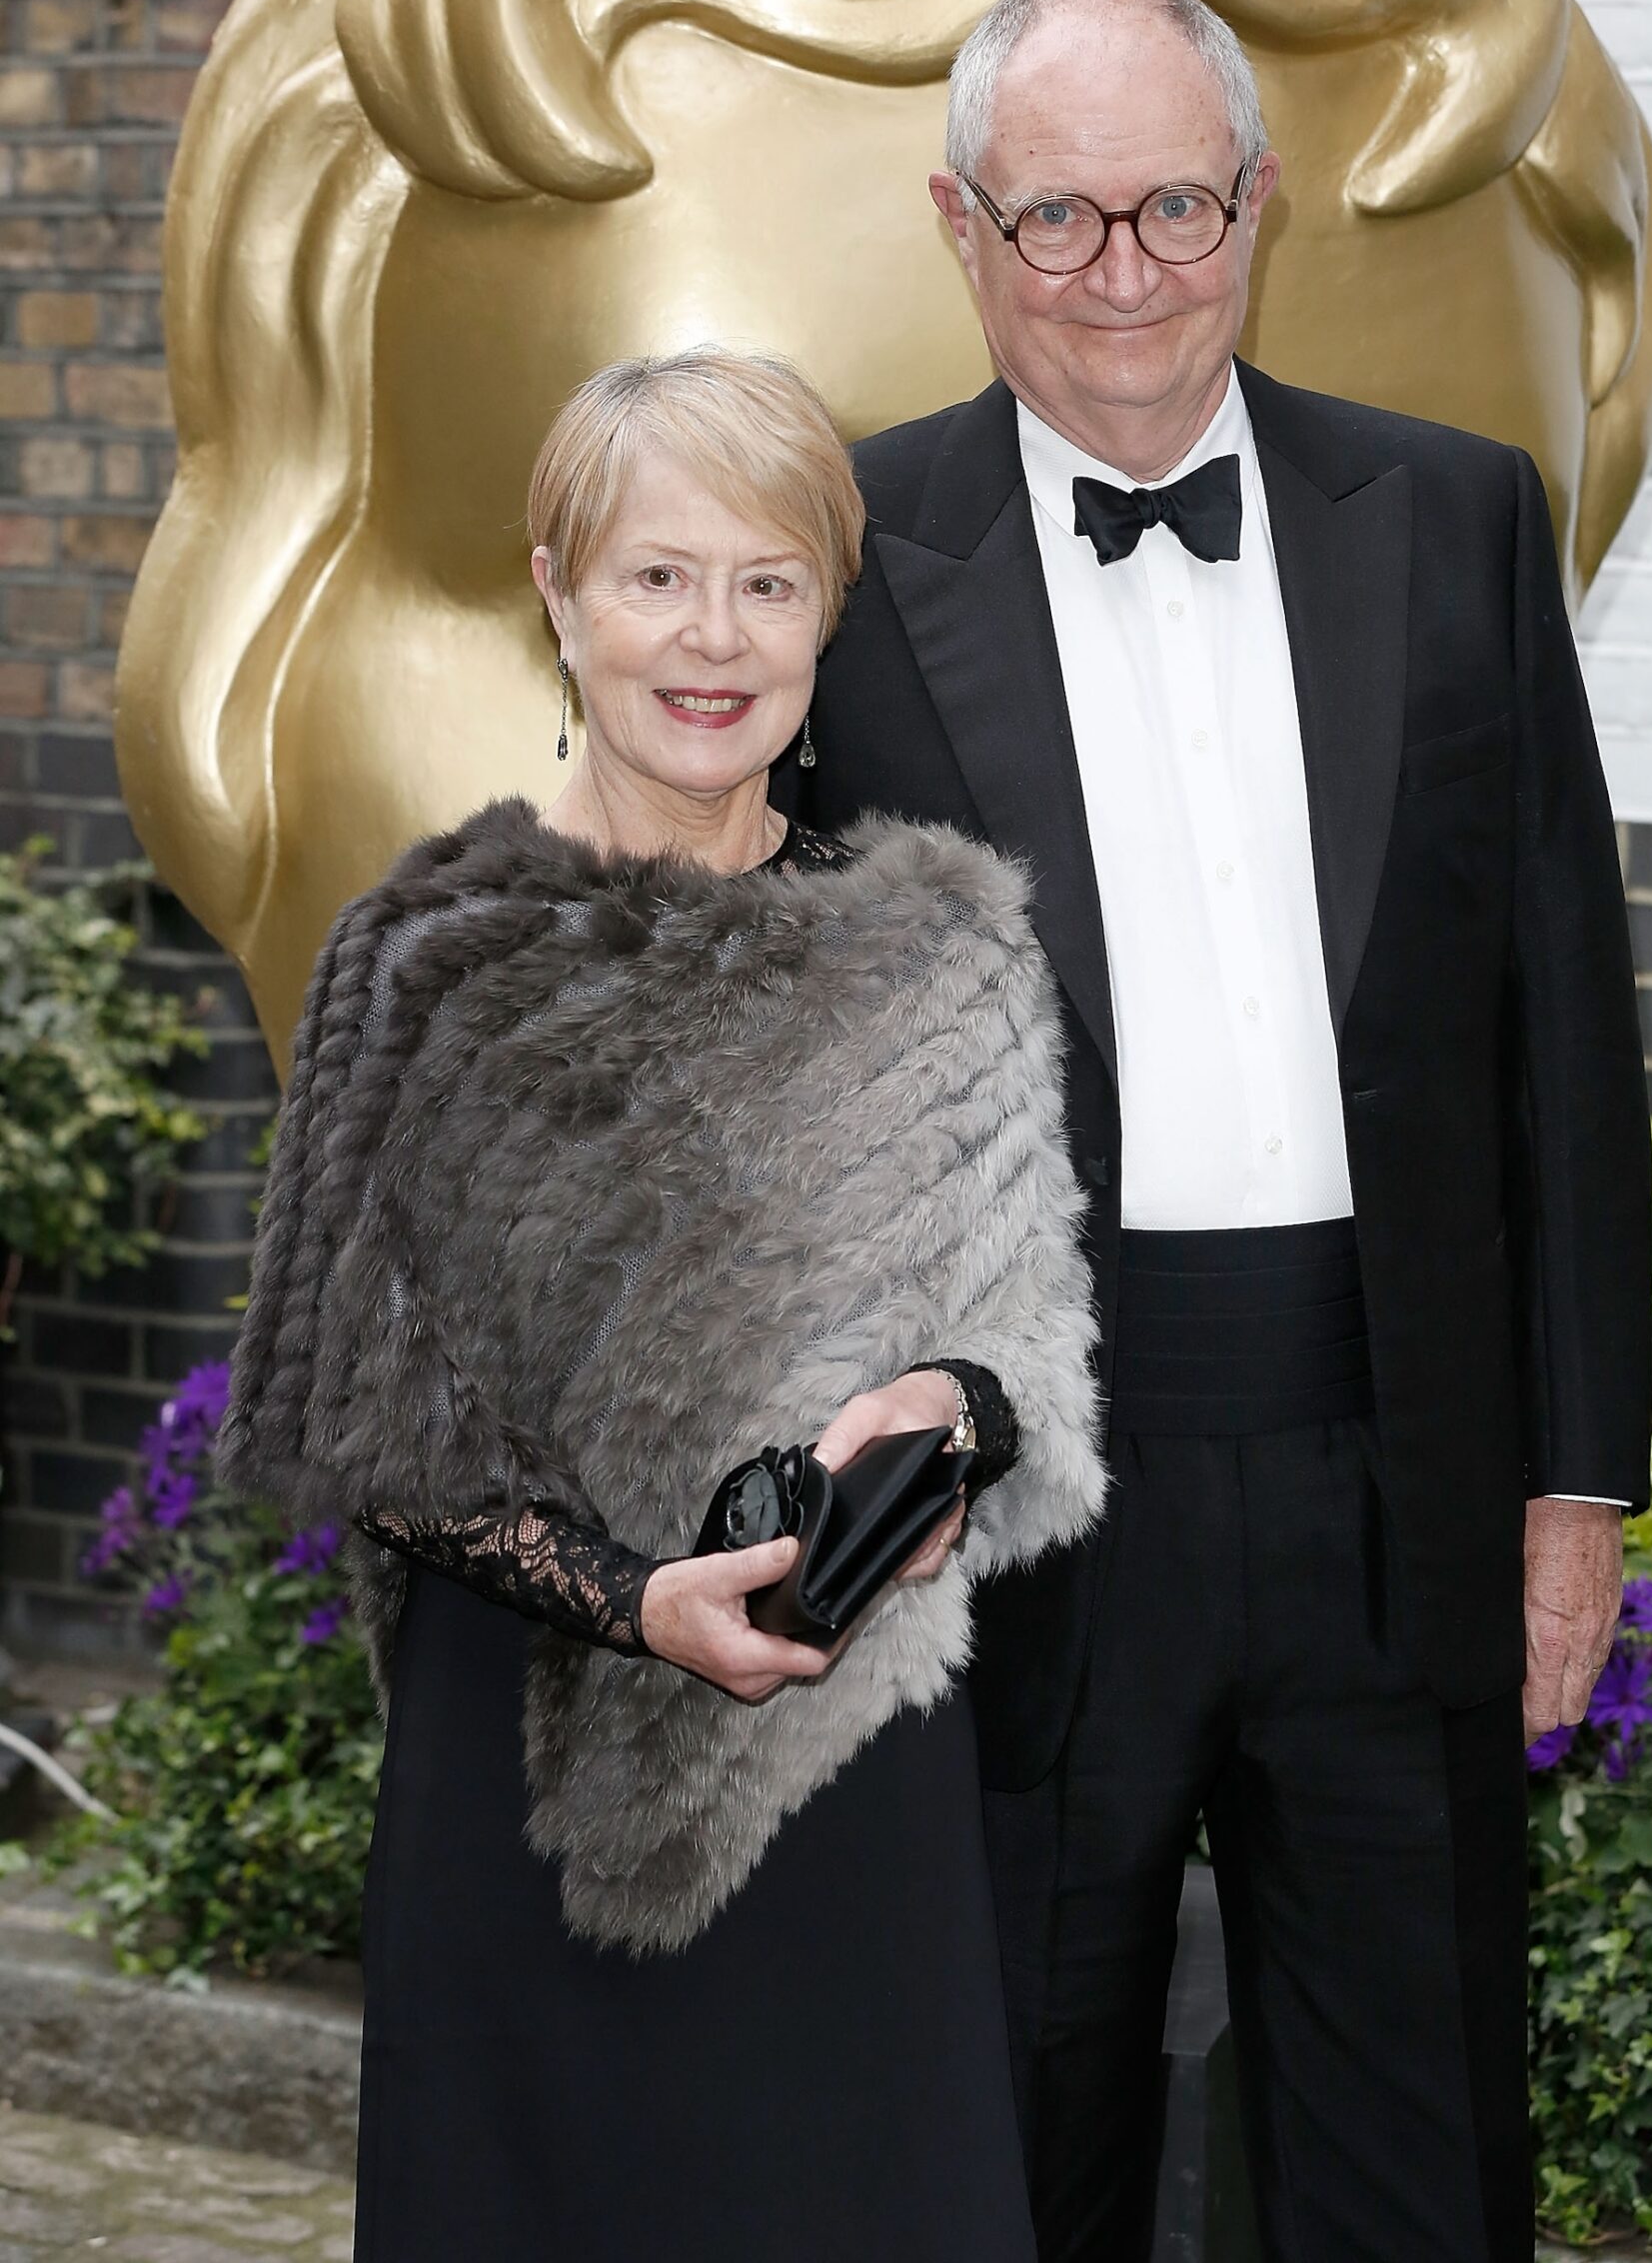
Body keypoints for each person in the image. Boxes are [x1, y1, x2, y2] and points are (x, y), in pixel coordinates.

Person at [782, 0, 1652, 2263]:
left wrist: (1578, 1478)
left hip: (1401, 1477)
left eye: (1178, 205)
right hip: (1022, 1490)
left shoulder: (1461, 518)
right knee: (1000, 2148)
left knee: (1417, 2150)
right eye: (1060, 220)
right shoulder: (841, 567)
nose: (1130, 274)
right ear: (963, 233)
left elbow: (1563, 1028)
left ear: (1257, 207)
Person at [218, 348, 1105, 2263]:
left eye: (769, 582)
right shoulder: (423, 964)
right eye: (656, 577)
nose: (715, 638)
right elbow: (355, 1431)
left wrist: (945, 1416)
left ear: (826, 614)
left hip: (853, 1789)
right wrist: (638, 1603)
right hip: (528, 1800)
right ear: (557, 591)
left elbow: (1026, 1346)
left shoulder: (940, 946)